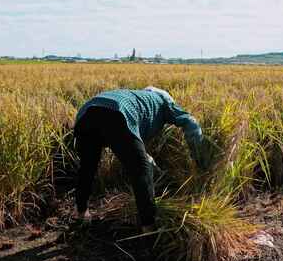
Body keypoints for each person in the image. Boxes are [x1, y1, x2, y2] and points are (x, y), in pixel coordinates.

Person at [73, 86, 204, 232]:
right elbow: (191, 122)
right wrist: (199, 159)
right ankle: (149, 226)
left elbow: (136, 151)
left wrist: (158, 171)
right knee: (141, 171)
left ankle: (81, 213)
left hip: (85, 113)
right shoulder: (164, 101)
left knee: (87, 167)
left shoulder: (138, 98)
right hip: (117, 113)